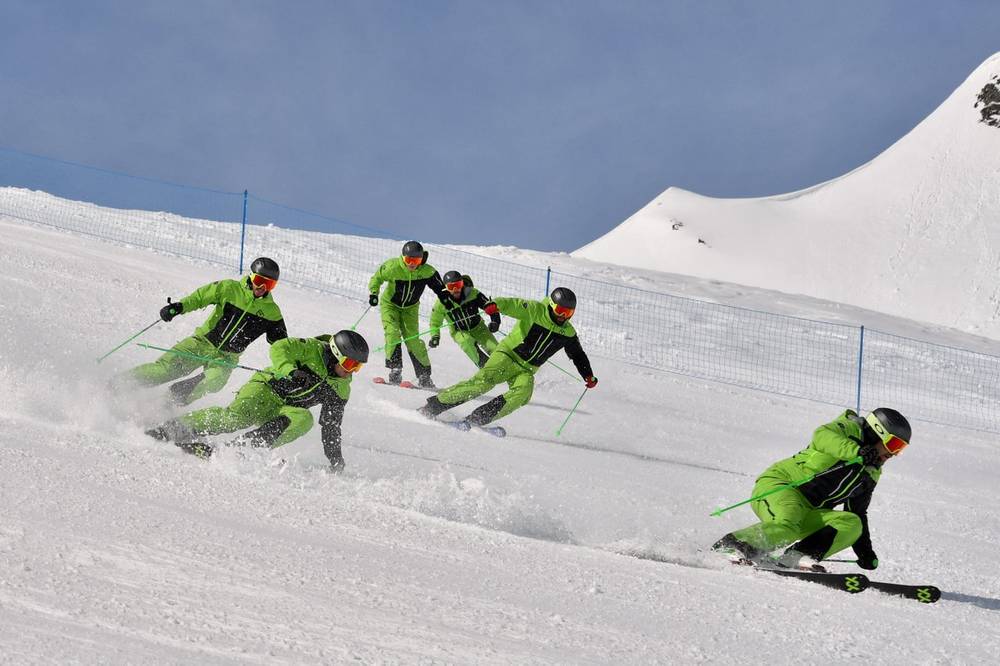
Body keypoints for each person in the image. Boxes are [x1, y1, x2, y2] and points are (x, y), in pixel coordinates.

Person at [711, 407, 912, 571]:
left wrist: (865, 552)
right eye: (894, 444)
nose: (894, 453)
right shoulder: (847, 429)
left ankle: (798, 556)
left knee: (852, 523)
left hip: (809, 511)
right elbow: (821, 436)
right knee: (788, 526)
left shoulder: (872, 471)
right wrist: (856, 451)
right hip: (781, 486)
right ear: (877, 431)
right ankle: (732, 545)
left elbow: (857, 512)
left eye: (900, 449)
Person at [144, 330, 370, 474]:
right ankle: (174, 428)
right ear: (336, 353)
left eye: (357, 367)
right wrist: (290, 371)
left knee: (304, 419)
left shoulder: (341, 388)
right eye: (350, 364)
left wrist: (335, 459)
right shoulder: (311, 349)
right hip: (265, 389)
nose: (351, 371)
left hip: (285, 409)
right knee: (236, 418)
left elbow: (331, 425)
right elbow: (280, 347)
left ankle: (242, 448)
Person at [418, 287, 598, 427]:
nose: (563, 316)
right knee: (483, 383)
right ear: (551, 305)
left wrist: (588, 375)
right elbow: (514, 305)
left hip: (526, 369)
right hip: (508, 355)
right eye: (560, 310)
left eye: (568, 313)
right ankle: (432, 407)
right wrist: (494, 305)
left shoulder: (568, 332)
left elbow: (577, 354)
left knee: (523, 393)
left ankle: (476, 419)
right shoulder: (535, 310)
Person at [118, 257, 287, 406]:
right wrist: (179, 307)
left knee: (214, 380)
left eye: (269, 284)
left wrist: (290, 367)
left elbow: (281, 345)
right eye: (259, 280)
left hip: (226, 358)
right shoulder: (229, 288)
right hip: (202, 342)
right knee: (166, 369)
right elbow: (200, 297)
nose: (262, 287)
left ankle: (167, 402)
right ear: (251, 276)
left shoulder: (272, 312)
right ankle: (120, 384)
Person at [367, 241, 449, 387]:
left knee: (413, 340)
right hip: (390, 305)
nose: (411, 264)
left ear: (421, 259)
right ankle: (395, 369)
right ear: (403, 257)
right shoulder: (392, 267)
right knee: (392, 332)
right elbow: (377, 278)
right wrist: (374, 293)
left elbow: (441, 289)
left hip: (410, 309)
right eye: (408, 260)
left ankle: (424, 376)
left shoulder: (428, 271)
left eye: (416, 261)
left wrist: (446, 300)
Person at [428, 271, 501, 368]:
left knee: (495, 349)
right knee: (467, 342)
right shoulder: (442, 303)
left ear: (462, 284)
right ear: (446, 288)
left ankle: (505, 366)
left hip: (478, 327)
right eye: (451, 287)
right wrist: (435, 336)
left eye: (458, 285)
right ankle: (485, 366)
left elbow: (490, 306)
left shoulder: (473, 293)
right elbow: (434, 323)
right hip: (459, 332)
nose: (455, 290)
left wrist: (495, 321)